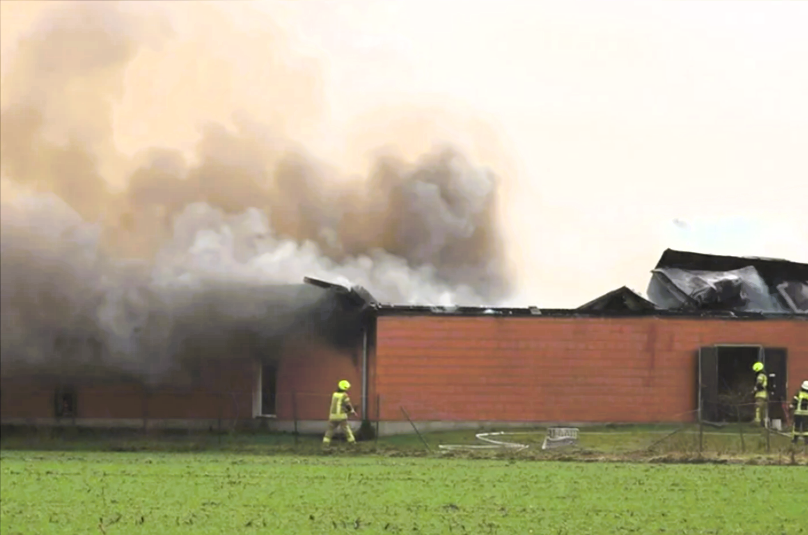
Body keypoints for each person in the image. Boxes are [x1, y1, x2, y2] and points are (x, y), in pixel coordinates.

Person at [323, 380, 358, 447]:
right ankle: (352, 443)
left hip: (332, 415)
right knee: (346, 429)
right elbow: (348, 405)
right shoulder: (344, 395)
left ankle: (325, 443)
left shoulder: (334, 395)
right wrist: (352, 412)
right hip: (341, 416)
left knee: (330, 430)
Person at [789, 380, 808, 445]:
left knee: (796, 428)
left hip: (797, 413)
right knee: (806, 429)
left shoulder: (799, 394)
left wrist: (791, 407)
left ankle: (794, 440)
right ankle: (806, 441)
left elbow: (794, 402)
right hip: (806, 414)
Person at [751, 362, 768, 426]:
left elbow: (759, 384)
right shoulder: (764, 375)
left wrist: (754, 390)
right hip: (764, 394)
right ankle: (763, 423)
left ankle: (757, 422)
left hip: (760, 394)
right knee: (763, 410)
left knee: (758, 408)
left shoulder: (760, 376)